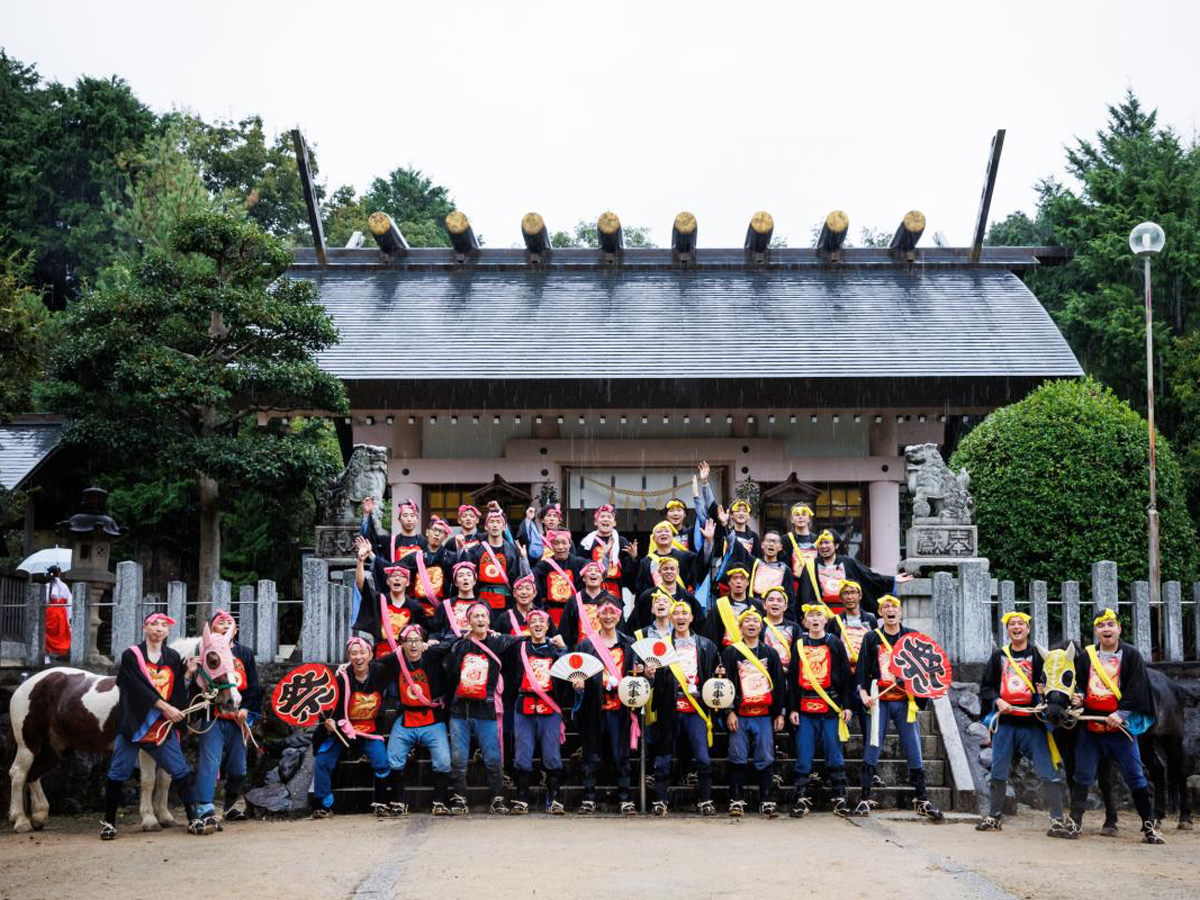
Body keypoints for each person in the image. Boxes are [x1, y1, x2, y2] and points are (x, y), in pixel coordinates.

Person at [101, 612, 208, 840]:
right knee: (117, 774)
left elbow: (178, 691)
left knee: (181, 771)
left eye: (163, 625)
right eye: (154, 624)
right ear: (144, 627)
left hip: (161, 728)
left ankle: (194, 820)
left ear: (168, 631)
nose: (159, 629)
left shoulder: (171, 657)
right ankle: (109, 823)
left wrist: (188, 674)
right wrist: (165, 707)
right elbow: (137, 687)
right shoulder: (132, 655)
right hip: (134, 725)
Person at [1067, 609, 1163, 844]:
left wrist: (1121, 714)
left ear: (1119, 628)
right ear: (1096, 631)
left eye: (1111, 624)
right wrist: (1078, 696)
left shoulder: (1131, 655)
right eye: (1101, 625)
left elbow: (1137, 687)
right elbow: (1078, 683)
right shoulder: (1086, 656)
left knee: (1136, 777)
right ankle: (1074, 824)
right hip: (1091, 727)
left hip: (1120, 730)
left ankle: (1149, 827)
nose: (1106, 629)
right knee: (1082, 776)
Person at [976, 611, 1070, 837]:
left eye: (1020, 624)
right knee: (998, 771)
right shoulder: (999, 656)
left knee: (1048, 771)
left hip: (1033, 723)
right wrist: (997, 700)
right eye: (1011, 624)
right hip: (1007, 722)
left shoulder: (1039, 656)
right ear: (1007, 630)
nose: (1016, 627)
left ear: (1028, 629)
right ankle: (994, 816)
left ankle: (1057, 820)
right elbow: (986, 687)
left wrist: (1043, 695)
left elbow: (1054, 682)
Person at [856, 595, 943, 820]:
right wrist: (864, 693)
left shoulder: (912, 636)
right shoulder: (871, 637)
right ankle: (864, 797)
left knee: (913, 745)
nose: (890, 610)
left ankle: (922, 797)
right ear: (880, 613)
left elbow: (925, 669)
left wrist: (912, 680)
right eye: (885, 607)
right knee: (873, 743)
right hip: (881, 698)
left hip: (905, 700)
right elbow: (863, 670)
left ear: (901, 612)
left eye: (894, 606)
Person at [443, 603, 522, 814]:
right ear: (468, 621)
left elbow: (523, 638)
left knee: (493, 757)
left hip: (486, 709)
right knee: (458, 758)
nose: (480, 620)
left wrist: (553, 640)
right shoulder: (460, 645)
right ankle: (459, 798)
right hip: (460, 709)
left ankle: (497, 798)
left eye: (483, 616)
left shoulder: (497, 641)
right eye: (475, 616)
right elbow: (450, 670)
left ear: (489, 620)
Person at [648, 601, 719, 817]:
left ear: (691, 618)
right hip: (670, 707)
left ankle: (705, 800)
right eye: (676, 613)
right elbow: (654, 682)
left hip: (696, 707)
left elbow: (714, 676)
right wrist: (650, 675)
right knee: (663, 757)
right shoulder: (660, 647)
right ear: (670, 619)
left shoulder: (707, 645)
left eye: (684, 613)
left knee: (703, 757)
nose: (680, 617)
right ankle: (660, 800)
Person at [311, 636, 392, 818]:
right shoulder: (341, 678)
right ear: (349, 656)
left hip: (370, 729)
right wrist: (328, 722)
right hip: (342, 730)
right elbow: (326, 707)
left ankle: (380, 802)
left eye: (362, 652)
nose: (358, 657)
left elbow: (398, 657)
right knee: (323, 761)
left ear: (370, 654)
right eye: (353, 653)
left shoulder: (380, 672)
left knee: (382, 762)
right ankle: (325, 804)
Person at [194, 609, 261, 824]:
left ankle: (230, 806)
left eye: (228, 622)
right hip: (213, 715)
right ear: (211, 628)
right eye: (219, 622)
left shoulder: (244, 653)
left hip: (237, 717)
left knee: (239, 768)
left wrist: (246, 709)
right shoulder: (203, 651)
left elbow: (254, 687)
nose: (224, 625)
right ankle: (204, 809)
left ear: (234, 630)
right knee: (210, 763)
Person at [788, 604, 854, 818]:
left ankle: (840, 797)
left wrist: (847, 706)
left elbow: (845, 676)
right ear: (804, 621)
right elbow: (792, 679)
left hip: (830, 706)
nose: (815, 619)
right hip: (805, 707)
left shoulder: (834, 643)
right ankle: (801, 799)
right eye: (810, 616)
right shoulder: (798, 645)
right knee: (804, 755)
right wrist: (793, 708)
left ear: (826, 620)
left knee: (834, 754)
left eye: (819, 615)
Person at [575, 597, 639, 815]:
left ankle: (625, 798)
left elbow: (636, 677)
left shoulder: (629, 644)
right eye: (604, 613)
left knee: (621, 755)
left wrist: (645, 676)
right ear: (598, 616)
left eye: (613, 613)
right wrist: (578, 685)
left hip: (620, 709)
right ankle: (589, 797)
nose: (609, 617)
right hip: (594, 707)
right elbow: (578, 671)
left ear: (619, 616)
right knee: (591, 754)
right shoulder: (586, 644)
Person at [719, 607, 784, 818]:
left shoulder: (770, 653)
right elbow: (725, 684)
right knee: (737, 755)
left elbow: (780, 685)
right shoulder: (731, 652)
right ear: (740, 627)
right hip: (739, 713)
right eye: (747, 622)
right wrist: (729, 711)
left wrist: (779, 713)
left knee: (765, 756)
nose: (751, 625)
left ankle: (766, 800)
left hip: (764, 714)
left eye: (755, 621)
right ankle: (736, 799)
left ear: (761, 626)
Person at [381, 625, 452, 816]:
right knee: (393, 758)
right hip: (406, 718)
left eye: (417, 640)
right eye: (408, 641)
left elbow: (453, 643)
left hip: (433, 718)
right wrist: (348, 666)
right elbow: (372, 663)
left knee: (444, 761)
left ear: (423, 643)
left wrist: (435, 643)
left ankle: (439, 801)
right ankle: (398, 801)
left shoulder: (431, 655)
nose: (413, 645)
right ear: (401, 644)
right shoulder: (395, 660)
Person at [511, 608, 570, 815]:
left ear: (547, 626)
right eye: (533, 621)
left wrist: (564, 648)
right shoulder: (519, 647)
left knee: (552, 756)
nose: (537, 624)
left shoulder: (555, 650)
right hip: (523, 707)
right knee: (522, 755)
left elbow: (570, 667)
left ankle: (554, 799)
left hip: (549, 707)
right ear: (527, 626)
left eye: (541, 621)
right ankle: (522, 800)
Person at [796, 530, 908, 616]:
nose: (823, 546)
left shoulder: (848, 563)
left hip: (847, 613)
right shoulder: (811, 566)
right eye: (820, 543)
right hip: (822, 615)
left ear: (836, 545)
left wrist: (892, 580)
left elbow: (869, 577)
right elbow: (805, 593)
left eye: (827, 542)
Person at [353, 536, 427, 658]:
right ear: (388, 581)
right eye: (394, 576)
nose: (397, 578)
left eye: (401, 576)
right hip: (381, 653)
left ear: (408, 582)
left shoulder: (415, 607)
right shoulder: (380, 600)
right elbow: (362, 587)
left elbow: (424, 632)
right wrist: (360, 561)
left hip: (406, 654)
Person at [826, 580, 878, 741]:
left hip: (865, 676)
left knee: (866, 718)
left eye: (853, 592)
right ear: (840, 598)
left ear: (860, 595)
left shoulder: (870, 619)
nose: (850, 597)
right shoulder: (834, 621)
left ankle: (868, 757)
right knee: (842, 716)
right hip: (843, 676)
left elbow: (876, 646)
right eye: (845, 593)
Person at [463, 509, 530, 612]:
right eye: (492, 522)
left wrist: (523, 558)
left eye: (498, 522)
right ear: (486, 526)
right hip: (480, 600)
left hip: (506, 602)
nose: (495, 525)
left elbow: (519, 578)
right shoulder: (475, 550)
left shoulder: (513, 551)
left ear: (503, 527)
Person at [632, 519, 712, 596]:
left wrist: (708, 541)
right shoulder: (646, 562)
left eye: (667, 531)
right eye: (659, 532)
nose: (663, 534)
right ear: (653, 538)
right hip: (657, 606)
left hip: (681, 605)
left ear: (672, 536)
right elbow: (640, 590)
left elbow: (701, 565)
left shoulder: (686, 557)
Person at [630, 555, 705, 634]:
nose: (669, 571)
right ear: (659, 572)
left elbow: (699, 624)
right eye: (665, 569)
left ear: (678, 572)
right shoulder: (648, 596)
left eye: (672, 569)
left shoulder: (688, 597)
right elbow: (635, 623)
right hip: (653, 641)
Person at [578, 504, 637, 601]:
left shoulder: (621, 542)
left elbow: (630, 572)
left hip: (615, 587)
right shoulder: (587, 542)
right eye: (602, 516)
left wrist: (634, 558)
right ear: (595, 522)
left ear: (614, 523)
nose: (606, 519)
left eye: (609, 517)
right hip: (592, 588)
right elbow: (580, 568)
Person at [402, 516, 458, 618]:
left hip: (443, 610)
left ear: (445, 536)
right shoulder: (415, 557)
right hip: (418, 609)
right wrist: (372, 557)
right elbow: (396, 570)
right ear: (427, 532)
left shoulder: (452, 557)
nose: (437, 534)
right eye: (435, 530)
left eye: (441, 531)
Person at [532, 530, 589, 628]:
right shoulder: (544, 565)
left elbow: (597, 571)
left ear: (570, 544)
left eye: (564, 543)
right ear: (551, 546)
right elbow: (530, 576)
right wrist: (523, 558)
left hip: (574, 610)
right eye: (556, 543)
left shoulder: (580, 563)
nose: (560, 547)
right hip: (551, 611)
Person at [558, 561, 620, 649]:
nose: (593, 573)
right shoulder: (573, 601)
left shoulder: (612, 601)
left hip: (607, 649)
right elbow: (566, 630)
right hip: (580, 650)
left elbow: (619, 628)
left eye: (597, 570)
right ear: (583, 578)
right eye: (589, 570)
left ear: (602, 578)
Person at [428, 561, 484, 639]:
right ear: (456, 583)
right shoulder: (445, 605)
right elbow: (435, 630)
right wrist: (432, 639)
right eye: (461, 575)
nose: (465, 578)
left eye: (469, 575)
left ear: (474, 581)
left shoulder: (483, 605)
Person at [706, 567, 759, 647]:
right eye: (735, 578)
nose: (738, 581)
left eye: (742, 578)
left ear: (748, 582)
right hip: (726, 652)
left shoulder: (757, 605)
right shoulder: (720, 605)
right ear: (729, 582)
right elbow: (712, 633)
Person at [750, 531, 795, 611]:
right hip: (754, 608)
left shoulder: (785, 569)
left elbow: (789, 598)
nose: (771, 544)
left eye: (775, 542)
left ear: (780, 547)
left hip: (774, 609)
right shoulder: (754, 564)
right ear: (762, 545)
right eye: (768, 541)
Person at [779, 503, 818, 576]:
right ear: (791, 519)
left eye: (804, 514)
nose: (800, 517)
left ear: (809, 518)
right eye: (797, 514)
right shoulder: (785, 539)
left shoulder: (817, 539)